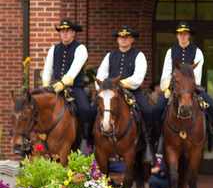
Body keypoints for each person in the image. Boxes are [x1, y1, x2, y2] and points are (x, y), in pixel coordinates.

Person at [152, 21, 213, 153]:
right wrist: (167, 87)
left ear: (189, 35)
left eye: (185, 34)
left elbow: (196, 75)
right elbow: (166, 74)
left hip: (192, 88)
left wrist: (189, 86)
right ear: (176, 36)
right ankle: (160, 138)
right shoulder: (170, 51)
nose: (182, 36)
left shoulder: (197, 52)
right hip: (174, 89)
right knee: (157, 109)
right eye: (180, 34)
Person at [96, 26, 155, 163]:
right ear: (117, 39)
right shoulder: (109, 56)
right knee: (92, 110)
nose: (123, 39)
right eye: (121, 37)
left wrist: (122, 84)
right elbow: (101, 76)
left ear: (132, 39)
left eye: (126, 37)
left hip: (132, 91)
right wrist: (105, 88)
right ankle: (91, 144)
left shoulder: (139, 55)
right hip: (109, 93)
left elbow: (138, 78)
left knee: (147, 111)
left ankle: (147, 145)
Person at [42, 19, 94, 154]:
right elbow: (47, 70)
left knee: (85, 109)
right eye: (62, 31)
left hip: (75, 87)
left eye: (67, 31)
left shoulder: (81, 49)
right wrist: (46, 86)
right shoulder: (53, 49)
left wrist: (64, 82)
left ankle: (85, 141)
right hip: (55, 87)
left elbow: (75, 67)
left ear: (73, 33)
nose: (64, 34)